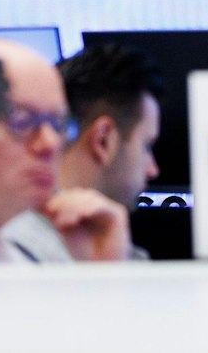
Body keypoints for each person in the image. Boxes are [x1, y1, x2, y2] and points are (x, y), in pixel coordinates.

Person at [0, 37, 130, 266]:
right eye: (22, 119)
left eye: (58, 124)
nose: (50, 143)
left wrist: (99, 269)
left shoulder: (7, 255)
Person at [55, 44, 165, 258]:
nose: (153, 170)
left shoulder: (6, 240)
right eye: (146, 146)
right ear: (103, 140)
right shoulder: (26, 260)